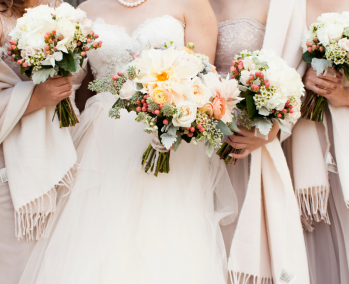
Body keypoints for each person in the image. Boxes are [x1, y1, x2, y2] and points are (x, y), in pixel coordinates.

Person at [18, 0, 238, 283]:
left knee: (165, 239)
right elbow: (70, 83)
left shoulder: (191, 4)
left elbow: (203, 82)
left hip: (166, 139)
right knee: (99, 240)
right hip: (101, 144)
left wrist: (173, 114)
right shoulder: (87, 9)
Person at [0, 0, 76, 283]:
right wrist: (37, 97)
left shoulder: (58, 7)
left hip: (58, 157)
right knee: (14, 269)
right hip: (4, 167)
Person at [210, 0, 309, 283]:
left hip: (246, 141)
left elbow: (299, 73)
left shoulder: (283, 5)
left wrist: (274, 126)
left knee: (241, 237)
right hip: (195, 137)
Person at [289, 0, 349, 283]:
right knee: (314, 239)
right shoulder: (288, 5)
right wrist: (300, 78)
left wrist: (344, 96)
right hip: (300, 139)